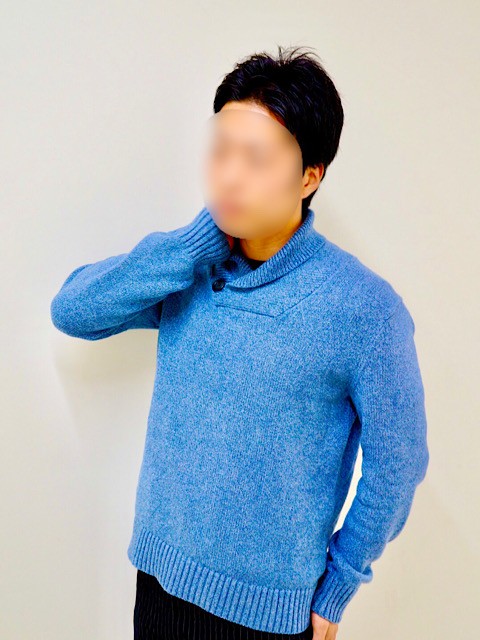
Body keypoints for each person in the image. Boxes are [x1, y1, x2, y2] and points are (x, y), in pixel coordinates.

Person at [50, 45, 429, 640]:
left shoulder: (363, 308)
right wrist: (191, 245)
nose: (229, 175)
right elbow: (73, 311)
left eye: (255, 159)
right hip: (158, 582)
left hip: (266, 615)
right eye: (220, 151)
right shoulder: (191, 268)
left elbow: (399, 462)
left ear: (310, 176)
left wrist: (339, 585)